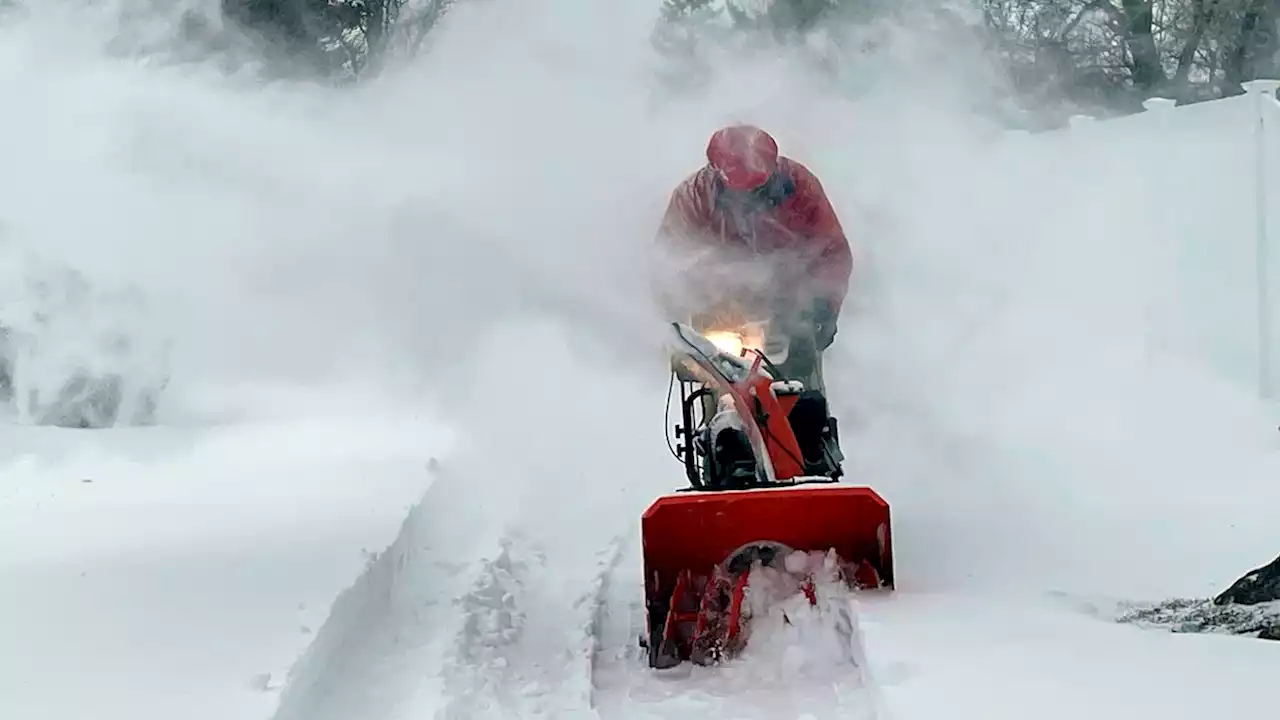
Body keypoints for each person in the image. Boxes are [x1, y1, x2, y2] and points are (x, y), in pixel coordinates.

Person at [654, 123, 854, 394]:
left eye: (758, 190)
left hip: (788, 306)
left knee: (803, 390)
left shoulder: (800, 187)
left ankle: (815, 431)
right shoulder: (694, 198)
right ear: (716, 174)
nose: (748, 199)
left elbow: (831, 251)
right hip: (721, 308)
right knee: (716, 387)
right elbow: (667, 260)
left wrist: (826, 307)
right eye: (739, 192)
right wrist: (675, 320)